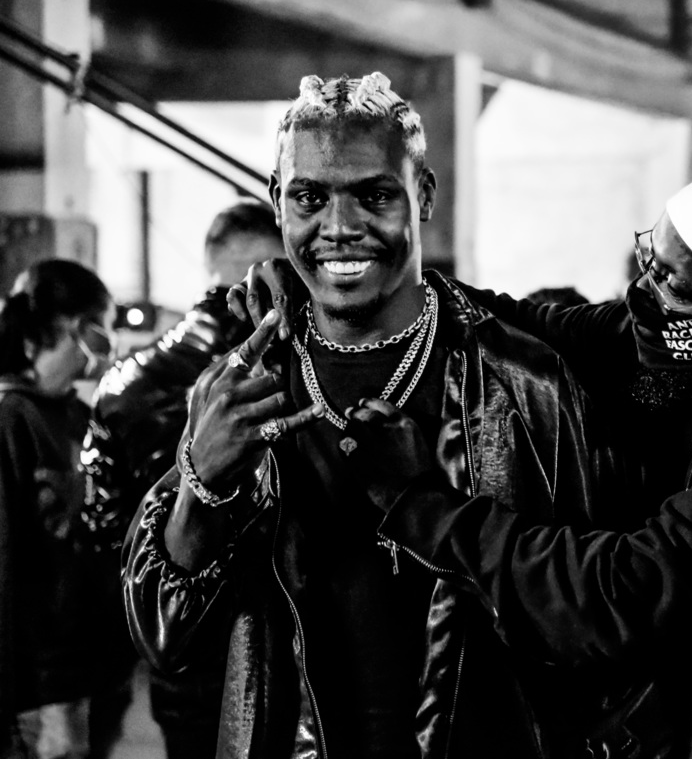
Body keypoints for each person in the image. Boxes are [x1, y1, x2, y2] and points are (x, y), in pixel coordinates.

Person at [232, 173, 692, 757]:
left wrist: (423, 504)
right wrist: (337, 278)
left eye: (673, 281)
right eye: (650, 259)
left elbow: (628, 594)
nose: (644, 289)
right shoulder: (668, 339)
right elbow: (515, 321)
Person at [122, 71, 620, 759]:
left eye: (375, 195)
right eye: (310, 197)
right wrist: (203, 485)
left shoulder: (522, 383)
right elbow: (164, 638)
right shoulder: (241, 386)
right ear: (277, 200)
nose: (339, 227)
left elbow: (590, 624)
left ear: (424, 195)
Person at [82, 201, 285, 759]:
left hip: (176, 650)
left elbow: (101, 530)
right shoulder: (292, 373)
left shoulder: (123, 384)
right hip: (282, 648)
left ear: (210, 264)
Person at [1, 259, 114, 759]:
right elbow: (11, 568)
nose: (108, 348)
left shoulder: (76, 414)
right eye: (101, 330)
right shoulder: (11, 419)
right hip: (40, 688)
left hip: (88, 672)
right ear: (71, 328)